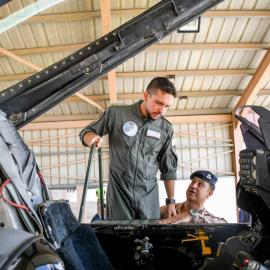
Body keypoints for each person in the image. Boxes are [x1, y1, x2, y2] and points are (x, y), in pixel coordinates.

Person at [80, 77, 178, 220]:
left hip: (148, 197)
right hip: (120, 196)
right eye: (158, 103)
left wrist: (171, 201)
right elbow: (86, 132)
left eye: (167, 106)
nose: (162, 110)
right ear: (146, 96)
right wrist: (92, 138)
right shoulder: (116, 114)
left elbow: (168, 169)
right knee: (120, 238)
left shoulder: (166, 129)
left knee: (149, 239)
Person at [160, 170, 227, 224]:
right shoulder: (169, 210)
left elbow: (226, 227)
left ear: (209, 193)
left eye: (200, 184)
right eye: (193, 181)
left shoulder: (208, 220)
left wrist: (193, 216)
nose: (193, 186)